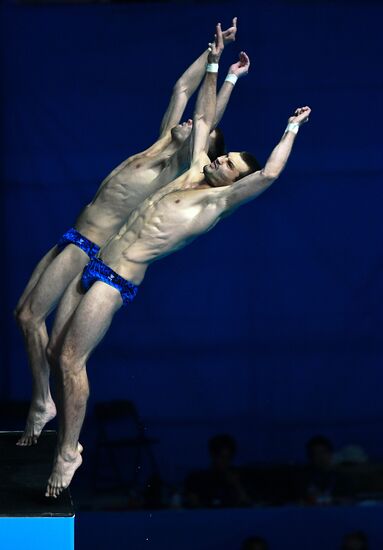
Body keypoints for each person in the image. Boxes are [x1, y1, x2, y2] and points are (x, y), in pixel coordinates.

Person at [45, 22, 311, 497]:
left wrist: (290, 128)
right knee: (52, 353)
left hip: (115, 280)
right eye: (224, 158)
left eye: (227, 167)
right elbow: (203, 114)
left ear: (232, 183)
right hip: (94, 264)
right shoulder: (191, 170)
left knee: (69, 359)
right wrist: (218, 64)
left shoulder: (216, 203)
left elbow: (268, 174)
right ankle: (62, 435)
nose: (219, 162)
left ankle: (69, 451)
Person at [14, 17, 248, 446]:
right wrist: (212, 53)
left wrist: (227, 79)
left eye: (199, 131)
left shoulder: (180, 167)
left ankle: (43, 402)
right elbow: (182, 89)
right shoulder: (162, 141)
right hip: (73, 234)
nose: (190, 124)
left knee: (34, 320)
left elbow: (205, 113)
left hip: (89, 247)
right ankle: (46, 401)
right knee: (25, 318)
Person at [185, 434, 251, 508]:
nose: (225, 462)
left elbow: (246, 504)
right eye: (222, 457)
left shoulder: (237, 477)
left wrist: (237, 485)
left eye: (228, 458)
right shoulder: (197, 478)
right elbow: (193, 504)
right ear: (213, 456)